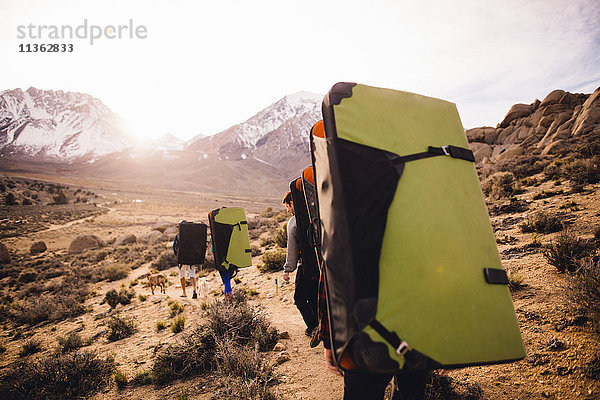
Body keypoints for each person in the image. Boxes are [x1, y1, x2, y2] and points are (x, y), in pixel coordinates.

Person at [281, 191, 319, 338]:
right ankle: (321, 326)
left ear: (292, 203)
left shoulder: (294, 222)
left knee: (300, 299)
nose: (287, 210)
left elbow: (292, 248)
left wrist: (288, 270)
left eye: (287, 206)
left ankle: (313, 326)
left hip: (305, 267)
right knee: (314, 297)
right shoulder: (315, 216)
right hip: (320, 264)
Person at [173, 231, 198, 299]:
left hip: (181, 258)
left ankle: (184, 293)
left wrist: (177, 255)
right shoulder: (192, 234)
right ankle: (194, 289)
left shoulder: (178, 235)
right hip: (191, 258)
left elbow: (174, 247)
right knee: (192, 274)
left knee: (182, 275)